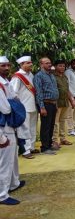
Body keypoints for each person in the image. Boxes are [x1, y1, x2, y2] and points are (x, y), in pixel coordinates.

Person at [0, 56, 24, 206]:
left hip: (9, 124)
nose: (7, 68)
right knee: (5, 162)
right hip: (2, 127)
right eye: (3, 66)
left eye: (8, 65)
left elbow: (14, 97)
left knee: (13, 157)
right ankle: (2, 194)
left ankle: (13, 183)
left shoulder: (5, 82)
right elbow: (6, 108)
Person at [10, 56, 38, 159]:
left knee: (33, 128)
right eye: (27, 63)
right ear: (22, 65)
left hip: (33, 105)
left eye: (31, 62)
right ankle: (25, 151)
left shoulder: (31, 74)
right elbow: (13, 93)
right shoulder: (17, 77)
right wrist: (18, 107)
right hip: (24, 107)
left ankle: (31, 147)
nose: (30, 64)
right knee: (24, 129)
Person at [34, 57, 59, 154]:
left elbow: (55, 89)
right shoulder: (39, 76)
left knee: (51, 125)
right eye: (47, 63)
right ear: (41, 64)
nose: (49, 64)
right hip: (45, 104)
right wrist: (42, 107)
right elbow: (38, 93)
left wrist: (55, 104)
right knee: (45, 126)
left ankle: (49, 145)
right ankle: (44, 148)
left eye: (50, 62)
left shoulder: (51, 75)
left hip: (53, 104)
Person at [52, 60, 74, 147]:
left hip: (65, 101)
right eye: (60, 66)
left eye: (63, 66)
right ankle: (54, 140)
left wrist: (71, 99)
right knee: (55, 122)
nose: (62, 68)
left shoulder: (64, 76)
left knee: (63, 121)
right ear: (56, 66)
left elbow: (67, 89)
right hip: (57, 102)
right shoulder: (53, 76)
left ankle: (63, 139)